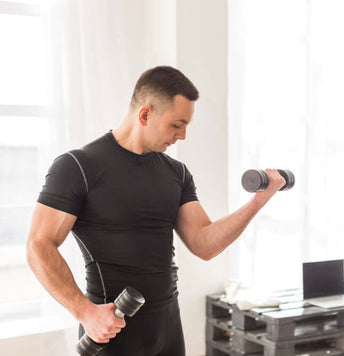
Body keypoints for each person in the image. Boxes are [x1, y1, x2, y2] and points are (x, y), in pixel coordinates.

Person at [26, 66, 285, 356]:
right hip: (111, 332)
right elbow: (39, 245)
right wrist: (85, 313)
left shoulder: (176, 173)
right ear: (146, 114)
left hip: (168, 332)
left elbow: (204, 243)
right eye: (177, 124)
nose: (183, 136)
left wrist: (257, 202)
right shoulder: (78, 167)